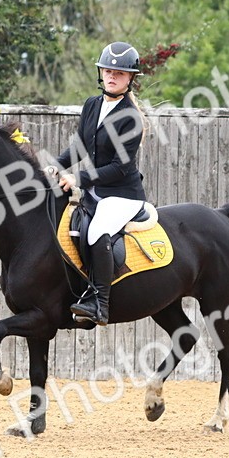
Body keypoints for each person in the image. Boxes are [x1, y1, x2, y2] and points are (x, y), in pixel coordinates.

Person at [54, 41, 147, 326]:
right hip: (97, 192)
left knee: (97, 230)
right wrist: (56, 166)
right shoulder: (92, 105)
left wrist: (78, 178)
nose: (112, 76)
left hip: (122, 194)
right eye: (108, 71)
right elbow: (80, 146)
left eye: (119, 73)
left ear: (130, 78)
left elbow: (120, 168)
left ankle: (100, 303)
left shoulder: (131, 118)